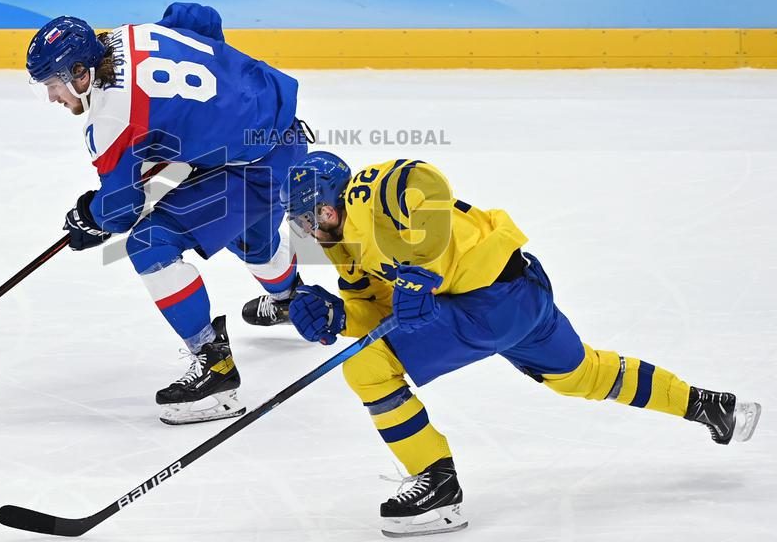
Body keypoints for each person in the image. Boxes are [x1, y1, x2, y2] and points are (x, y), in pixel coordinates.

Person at [281, 151, 762, 537]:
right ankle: (710, 406)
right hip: (517, 295)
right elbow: (383, 311)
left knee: (366, 367)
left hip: (488, 302)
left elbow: (424, 180)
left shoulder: (367, 195)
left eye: (306, 215)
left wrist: (419, 267)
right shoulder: (341, 248)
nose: (304, 227)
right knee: (585, 376)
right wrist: (338, 315)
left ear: (327, 205)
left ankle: (439, 487)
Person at [25, 3, 307, 425]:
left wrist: (88, 216)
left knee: (150, 244)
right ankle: (291, 300)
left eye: (53, 84)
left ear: (81, 73)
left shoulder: (111, 119)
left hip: (253, 165)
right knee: (252, 239)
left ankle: (216, 370)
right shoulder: (125, 34)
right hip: (281, 132)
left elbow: (121, 210)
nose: (52, 97)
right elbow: (198, 18)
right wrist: (218, 105)